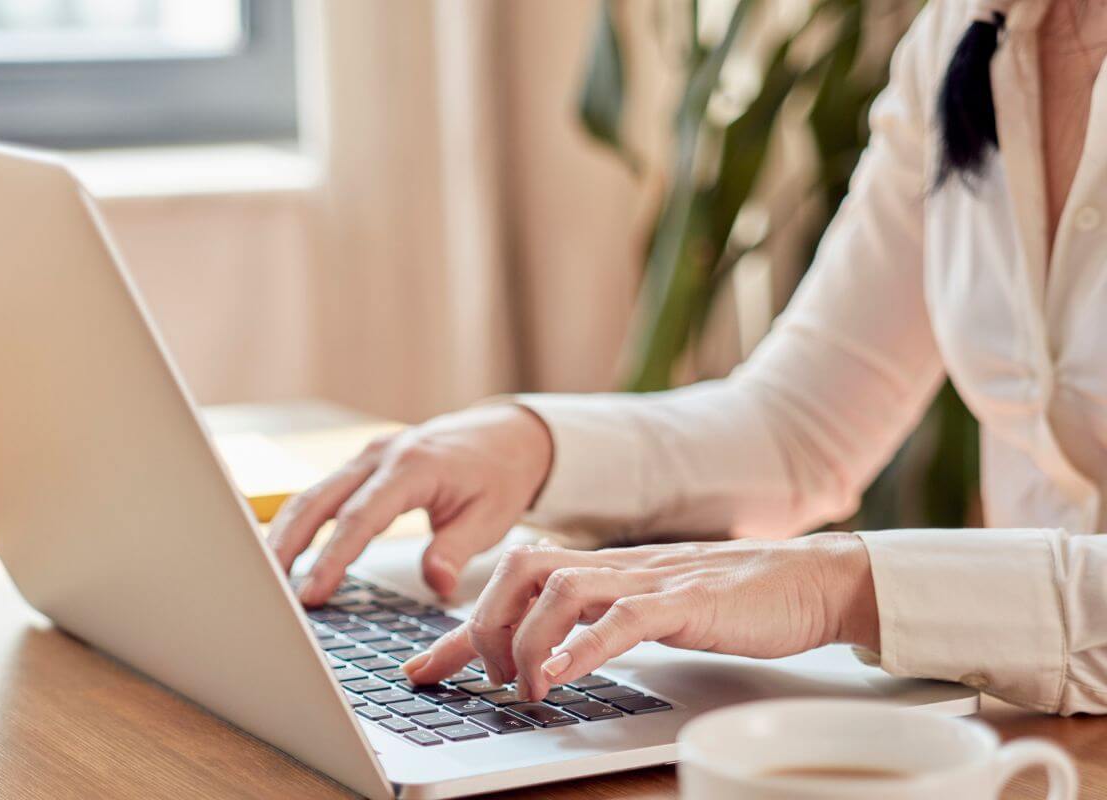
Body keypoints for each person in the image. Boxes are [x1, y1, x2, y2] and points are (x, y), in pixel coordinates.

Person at [270, 0, 1107, 715]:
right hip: (1045, 735)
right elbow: (801, 426)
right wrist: (531, 442)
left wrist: (835, 586)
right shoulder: (966, 35)